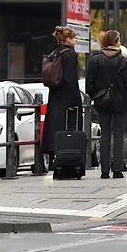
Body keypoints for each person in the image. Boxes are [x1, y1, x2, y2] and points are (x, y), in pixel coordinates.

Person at [85, 30, 127, 179]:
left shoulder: (94, 60)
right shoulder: (123, 61)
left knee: (105, 134)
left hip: (102, 102)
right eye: (119, 40)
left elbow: (89, 85)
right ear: (115, 42)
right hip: (120, 103)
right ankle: (117, 170)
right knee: (119, 135)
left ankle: (104, 170)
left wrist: (97, 96)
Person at [41, 26, 82, 171]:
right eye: (74, 38)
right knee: (68, 132)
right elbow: (71, 80)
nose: (75, 41)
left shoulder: (55, 52)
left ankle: (54, 163)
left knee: (55, 130)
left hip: (55, 97)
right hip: (67, 100)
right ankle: (67, 162)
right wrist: (76, 101)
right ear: (68, 39)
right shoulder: (70, 55)